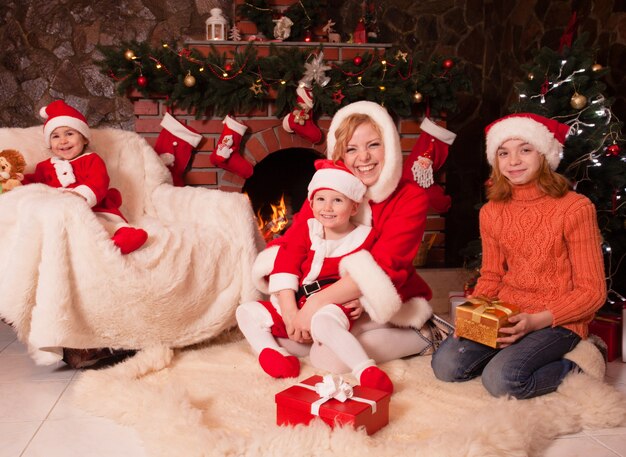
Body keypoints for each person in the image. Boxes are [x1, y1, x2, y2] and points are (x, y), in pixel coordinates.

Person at [252, 101, 455, 375]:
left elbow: (386, 267)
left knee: (328, 359)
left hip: (382, 297)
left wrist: (315, 302)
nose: (364, 157)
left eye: (373, 145)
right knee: (288, 338)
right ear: (341, 155)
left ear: (390, 147)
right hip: (336, 296)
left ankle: (427, 335)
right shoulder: (331, 190)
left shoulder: (410, 197)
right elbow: (291, 244)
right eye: (351, 149)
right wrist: (290, 311)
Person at [431, 113, 607, 399]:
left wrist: (536, 321)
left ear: (544, 155)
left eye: (524, 149)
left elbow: (593, 292)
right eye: (504, 153)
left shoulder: (575, 208)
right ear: (495, 160)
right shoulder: (492, 211)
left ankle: (580, 364)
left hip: (556, 319)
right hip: (507, 312)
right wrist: (472, 318)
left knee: (502, 381)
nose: (513, 161)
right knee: (446, 365)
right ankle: (514, 353)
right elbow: (491, 275)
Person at [237, 159, 394, 393]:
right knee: (246, 311)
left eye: (337, 200)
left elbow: (370, 276)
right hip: (296, 302)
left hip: (331, 305)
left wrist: (364, 302)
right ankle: (274, 354)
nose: (327, 208)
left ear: (353, 207)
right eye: (320, 199)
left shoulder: (365, 238)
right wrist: (290, 313)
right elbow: (286, 264)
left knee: (324, 321)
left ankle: (364, 369)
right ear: (311, 202)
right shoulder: (307, 230)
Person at [24, 100, 148, 255]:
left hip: (94, 208)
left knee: (101, 224)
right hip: (63, 212)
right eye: (55, 136)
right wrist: (15, 181)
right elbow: (34, 184)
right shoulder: (44, 167)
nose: (63, 141)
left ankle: (122, 237)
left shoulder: (92, 160)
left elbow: (99, 182)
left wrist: (80, 195)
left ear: (84, 139)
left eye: (69, 134)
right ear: (49, 143)